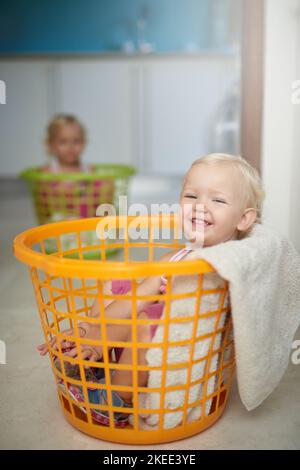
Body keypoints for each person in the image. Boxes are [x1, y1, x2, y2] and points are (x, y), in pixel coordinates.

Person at [37, 153, 265, 425]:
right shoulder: (175, 259)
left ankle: (114, 403)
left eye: (217, 200)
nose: (200, 206)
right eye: (191, 196)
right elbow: (136, 298)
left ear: (244, 219)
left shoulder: (235, 263)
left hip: (178, 356)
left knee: (147, 322)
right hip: (136, 352)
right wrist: (90, 329)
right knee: (114, 287)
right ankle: (96, 360)